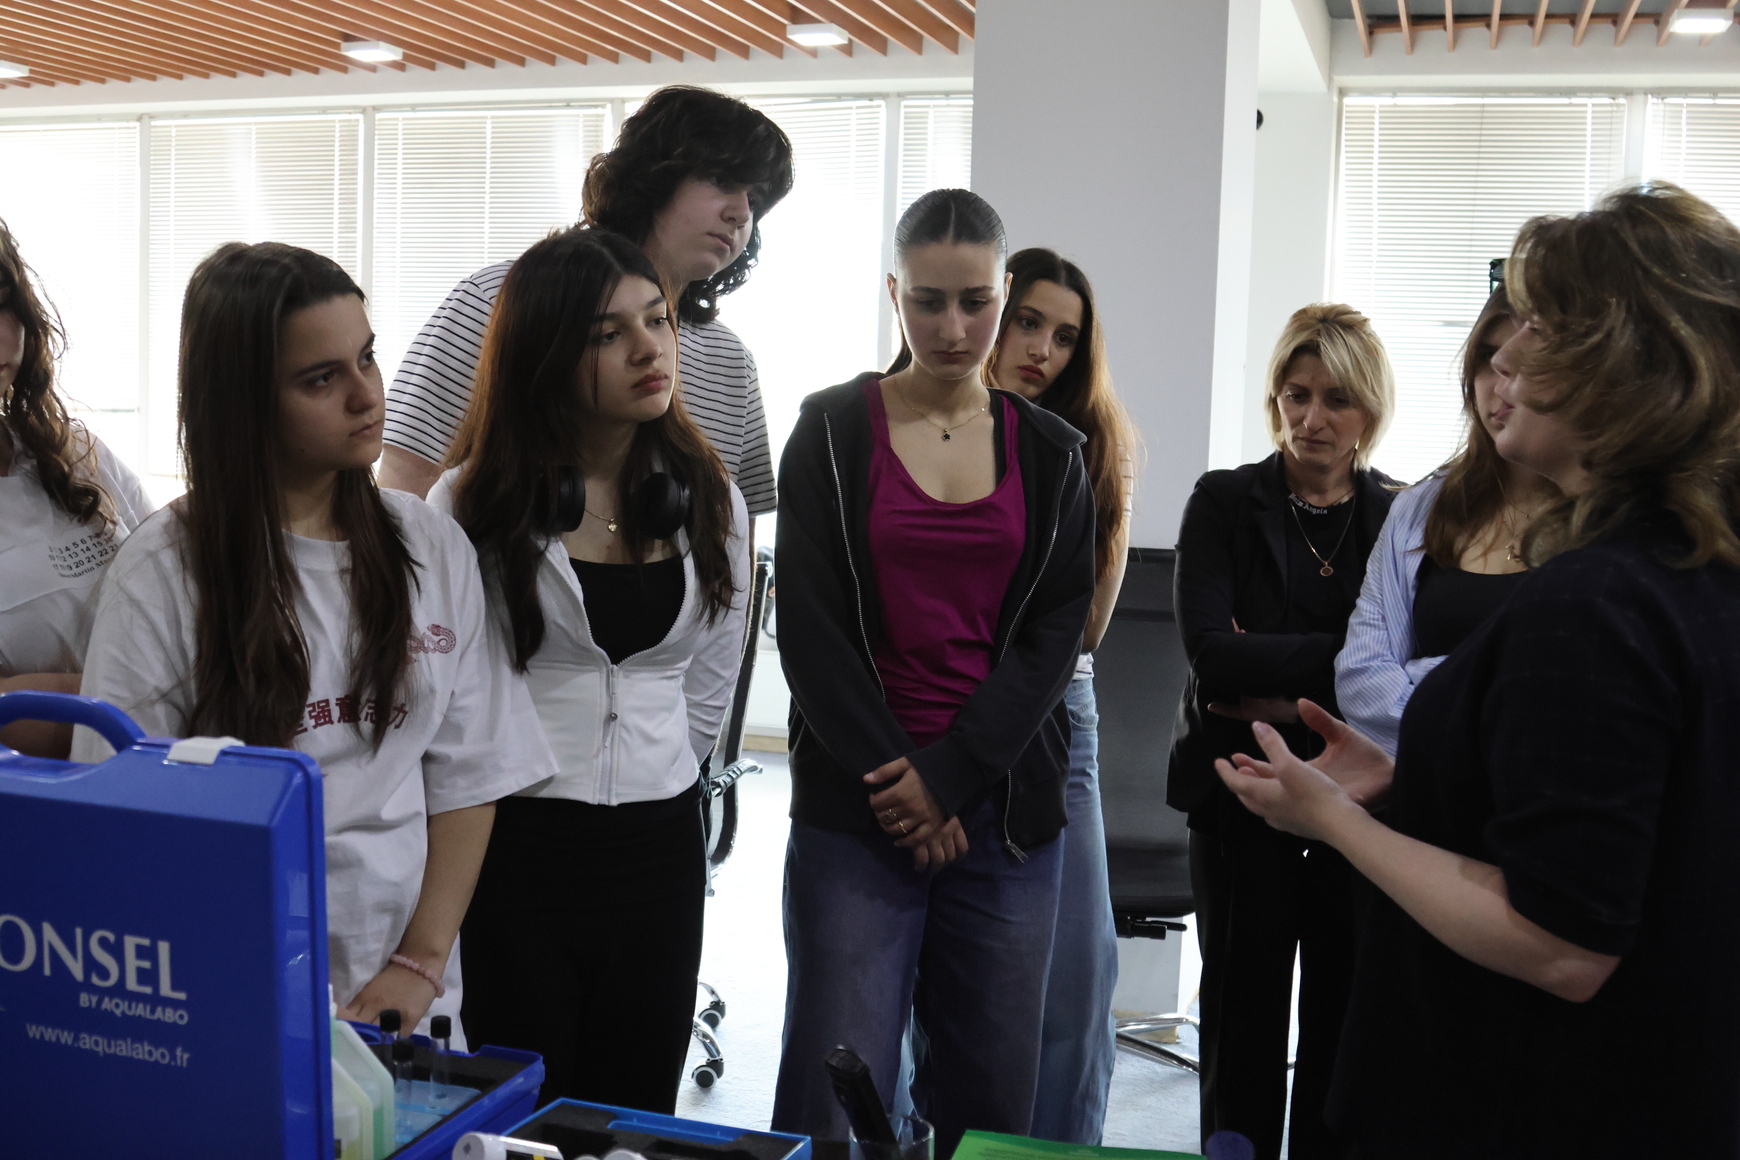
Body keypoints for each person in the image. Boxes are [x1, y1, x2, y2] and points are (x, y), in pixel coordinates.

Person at [1216, 182, 1740, 1158]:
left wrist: (1331, 818)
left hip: (1532, 1097)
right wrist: (1416, 775)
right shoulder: (1689, 567)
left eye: (1540, 326)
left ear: (1620, 367)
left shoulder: (1594, 603)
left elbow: (1561, 942)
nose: (1504, 355)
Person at [73, 242, 554, 1042]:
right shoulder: (162, 572)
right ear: (244, 403)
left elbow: (470, 776)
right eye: (321, 379)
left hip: (404, 991)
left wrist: (420, 964)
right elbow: (123, 825)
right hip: (225, 987)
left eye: (367, 357)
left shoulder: (429, 543)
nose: (368, 395)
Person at [769, 190, 1096, 1157]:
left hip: (1003, 810)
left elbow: (1053, 638)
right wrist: (903, 786)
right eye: (928, 302)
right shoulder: (832, 431)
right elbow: (811, 630)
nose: (953, 329)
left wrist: (949, 777)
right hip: (858, 804)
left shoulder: (1053, 455)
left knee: (990, 1098)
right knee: (835, 1094)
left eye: (976, 302)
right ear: (893, 295)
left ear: (1004, 293)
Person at [428, 228, 749, 1114]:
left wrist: (657, 771)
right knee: (522, 1109)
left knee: (633, 1113)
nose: (650, 349)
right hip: (516, 844)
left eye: (657, 320)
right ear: (544, 355)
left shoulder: (709, 497)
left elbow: (711, 677)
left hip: (659, 847)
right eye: (610, 334)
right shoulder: (470, 501)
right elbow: (454, 694)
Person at [1169, 304, 1397, 1160]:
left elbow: (1404, 669)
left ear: (1369, 408)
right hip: (1240, 791)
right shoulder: (1225, 501)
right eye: (1296, 395)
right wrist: (1347, 661)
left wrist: (1280, 689)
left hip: (1356, 801)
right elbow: (1211, 655)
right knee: (1242, 1018)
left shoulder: (1399, 516)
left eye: (1336, 399)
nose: (1312, 418)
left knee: (1344, 1014)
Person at [379, 85, 793, 523]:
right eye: (723, 181)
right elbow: (403, 494)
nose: (741, 213)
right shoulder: (498, 300)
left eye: (755, 200)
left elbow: (735, 538)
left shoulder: (732, 364)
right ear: (655, 176)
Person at [983, 247, 1135, 1145]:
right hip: (941, 709)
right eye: (1028, 323)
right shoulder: (916, 431)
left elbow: (1087, 630)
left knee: (1077, 978)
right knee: (946, 975)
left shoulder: (1096, 450)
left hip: (1058, 715)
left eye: (1066, 337)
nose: (1042, 349)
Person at [1335, 285, 1559, 755]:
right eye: (1488, 358)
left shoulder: (1608, 520)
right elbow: (1361, 677)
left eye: (1529, 361)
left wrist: (1421, 678)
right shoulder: (1420, 505)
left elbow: (1564, 695)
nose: (1502, 383)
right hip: (1417, 788)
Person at [0, 219, 153, 758]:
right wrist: (139, 697)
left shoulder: (76, 451)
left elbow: (180, 587)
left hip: (150, 769)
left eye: (3, 303)